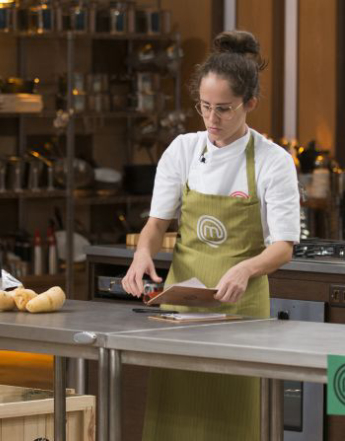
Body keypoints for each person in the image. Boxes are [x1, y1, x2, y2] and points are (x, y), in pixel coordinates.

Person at [122, 31, 299, 440]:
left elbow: (283, 246)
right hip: (182, 310)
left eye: (224, 109)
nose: (212, 120)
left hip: (242, 309)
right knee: (174, 421)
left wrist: (246, 270)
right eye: (204, 107)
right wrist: (142, 255)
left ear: (249, 104)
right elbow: (156, 224)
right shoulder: (183, 149)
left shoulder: (273, 161)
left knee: (233, 420)